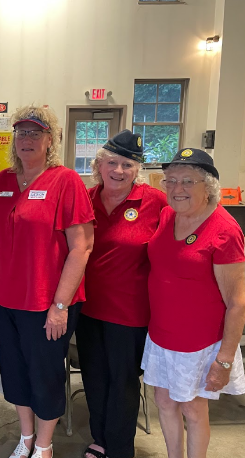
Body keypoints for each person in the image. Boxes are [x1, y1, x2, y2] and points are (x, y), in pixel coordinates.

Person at [0, 105, 95, 458]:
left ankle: (45, 445)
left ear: (50, 139)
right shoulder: (2, 181)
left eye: (35, 133)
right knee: (15, 372)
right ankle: (26, 437)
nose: (27, 139)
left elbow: (81, 247)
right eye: (21, 133)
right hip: (5, 300)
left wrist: (60, 305)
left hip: (46, 302)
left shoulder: (66, 181)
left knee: (45, 374)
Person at [142, 148, 245, 458]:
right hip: (162, 335)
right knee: (164, 401)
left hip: (199, 344)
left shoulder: (224, 231)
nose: (177, 188)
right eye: (171, 180)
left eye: (188, 181)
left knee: (193, 408)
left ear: (209, 186)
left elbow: (237, 303)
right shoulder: (167, 215)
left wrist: (224, 360)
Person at [76, 130, 167, 458]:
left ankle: (119, 448)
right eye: (112, 163)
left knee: (124, 382)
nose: (118, 170)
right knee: (94, 378)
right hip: (87, 309)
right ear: (99, 165)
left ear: (137, 169)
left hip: (130, 313)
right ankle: (100, 439)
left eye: (127, 165)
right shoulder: (84, 199)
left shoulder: (155, 202)